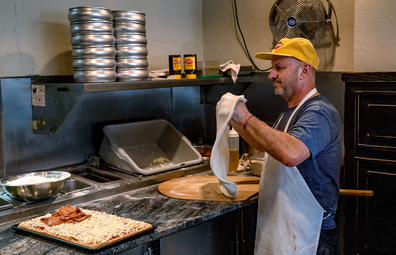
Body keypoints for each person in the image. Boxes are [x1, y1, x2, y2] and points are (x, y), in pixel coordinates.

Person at [228, 37, 342, 255]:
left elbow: (291, 154)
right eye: (273, 68)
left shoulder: (318, 112)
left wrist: (246, 118)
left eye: (279, 68)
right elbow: (267, 145)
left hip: (311, 235)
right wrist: (234, 119)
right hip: (285, 227)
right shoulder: (290, 112)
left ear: (304, 71)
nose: (271, 75)